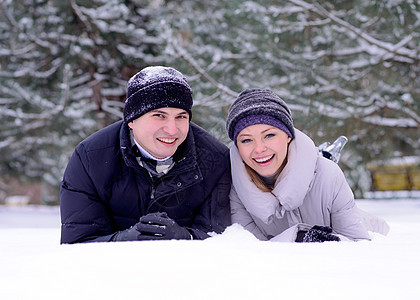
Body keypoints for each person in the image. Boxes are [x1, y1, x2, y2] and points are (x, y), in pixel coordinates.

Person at [60, 66, 231, 244]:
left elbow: (220, 240)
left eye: (181, 117)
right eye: (159, 115)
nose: (172, 130)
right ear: (132, 120)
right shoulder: (90, 159)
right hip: (110, 269)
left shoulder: (215, 160)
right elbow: (77, 243)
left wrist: (185, 237)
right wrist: (125, 240)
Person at [225, 88, 389, 242]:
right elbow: (250, 249)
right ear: (237, 146)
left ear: (289, 136)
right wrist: (299, 237)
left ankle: (318, 156)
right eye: (246, 140)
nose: (259, 149)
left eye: (269, 135)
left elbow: (358, 244)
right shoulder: (236, 189)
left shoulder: (329, 176)